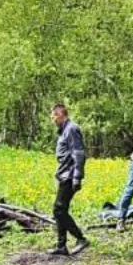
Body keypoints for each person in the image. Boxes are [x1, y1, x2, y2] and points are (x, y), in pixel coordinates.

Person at [50, 103, 89, 256]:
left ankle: (80, 238)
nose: (52, 119)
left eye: (54, 116)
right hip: (63, 174)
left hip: (70, 175)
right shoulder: (64, 130)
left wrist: (77, 177)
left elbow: (78, 153)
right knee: (61, 209)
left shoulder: (72, 129)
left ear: (61, 115)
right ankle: (61, 246)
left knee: (58, 209)